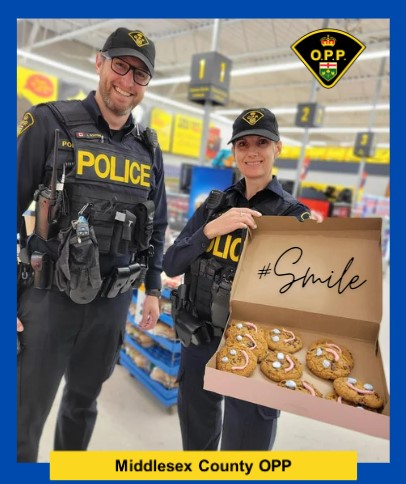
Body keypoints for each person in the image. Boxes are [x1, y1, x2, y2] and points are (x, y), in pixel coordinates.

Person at [16, 27, 168, 462]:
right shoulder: (50, 121)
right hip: (48, 302)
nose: (127, 81)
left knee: (82, 407)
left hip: (111, 305)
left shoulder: (148, 150)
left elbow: (156, 224)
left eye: (140, 74)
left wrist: (153, 289)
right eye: (121, 65)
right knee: (24, 417)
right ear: (99, 62)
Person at [163, 107, 312, 451]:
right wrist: (210, 230)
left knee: (246, 454)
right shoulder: (214, 207)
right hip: (199, 340)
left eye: (262, 142)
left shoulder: (293, 216)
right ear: (234, 152)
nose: (252, 152)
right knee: (196, 446)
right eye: (243, 144)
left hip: (255, 353)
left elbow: (305, 299)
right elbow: (171, 264)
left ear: (278, 148)